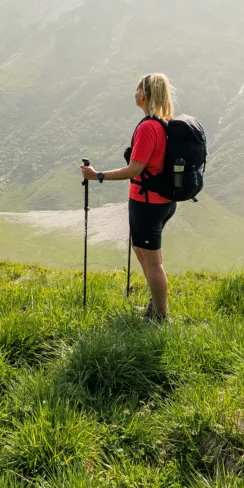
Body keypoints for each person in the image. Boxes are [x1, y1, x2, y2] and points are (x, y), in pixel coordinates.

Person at [80, 72, 176, 321]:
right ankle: (155, 306)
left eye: (136, 90)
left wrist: (97, 175)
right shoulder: (165, 123)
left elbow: (135, 169)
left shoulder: (148, 128)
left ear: (143, 95)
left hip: (147, 202)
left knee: (153, 261)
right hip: (161, 200)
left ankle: (160, 317)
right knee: (142, 251)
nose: (134, 94)